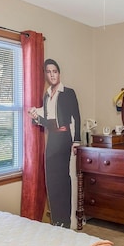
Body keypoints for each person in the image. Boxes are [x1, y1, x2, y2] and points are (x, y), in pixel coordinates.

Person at [28, 59, 80, 228]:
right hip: (52, 139)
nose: (52, 74)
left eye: (55, 71)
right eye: (49, 72)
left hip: (64, 139)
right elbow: (48, 123)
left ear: (59, 73)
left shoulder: (68, 92)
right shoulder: (46, 94)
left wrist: (76, 140)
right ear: (46, 75)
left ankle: (65, 221)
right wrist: (36, 118)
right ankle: (56, 219)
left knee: (62, 179)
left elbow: (76, 117)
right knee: (51, 180)